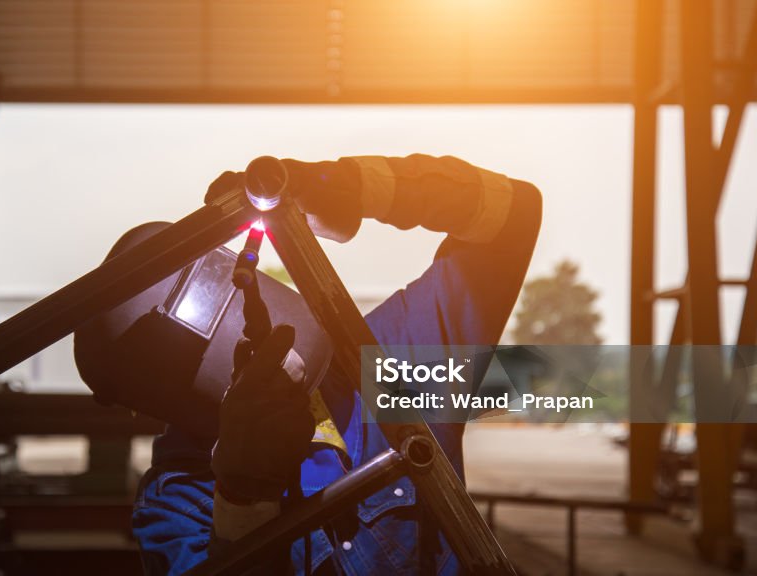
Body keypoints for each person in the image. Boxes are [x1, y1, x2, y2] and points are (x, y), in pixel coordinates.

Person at [74, 154, 541, 575]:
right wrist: (244, 500)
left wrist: (351, 186)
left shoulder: (389, 362)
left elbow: (512, 213)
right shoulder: (179, 506)